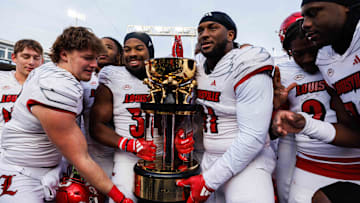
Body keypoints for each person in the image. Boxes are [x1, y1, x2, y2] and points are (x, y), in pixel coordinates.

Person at [0, 26, 132, 203]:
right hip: (24, 173)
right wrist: (122, 199)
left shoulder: (51, 72)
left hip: (52, 167)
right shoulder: (56, 85)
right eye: (87, 58)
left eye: (95, 58)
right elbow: (80, 158)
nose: (94, 64)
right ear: (64, 55)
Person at [177, 11, 276, 203]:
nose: (204, 34)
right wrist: (184, 134)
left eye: (212, 28)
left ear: (231, 35)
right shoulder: (197, 65)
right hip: (209, 158)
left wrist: (210, 181)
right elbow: (196, 113)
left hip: (247, 164)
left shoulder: (246, 60)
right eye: (200, 30)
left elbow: (254, 136)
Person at [274, 18, 360, 203]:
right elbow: (272, 129)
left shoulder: (343, 63)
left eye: (313, 51)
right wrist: (277, 105)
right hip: (310, 163)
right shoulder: (282, 71)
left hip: (354, 163)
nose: (307, 59)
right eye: (298, 53)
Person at [81, 36, 123, 179]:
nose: (103, 50)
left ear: (119, 56)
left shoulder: (126, 80)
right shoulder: (84, 79)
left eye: (109, 47)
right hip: (90, 149)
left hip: (120, 149)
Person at [0, 39, 43, 148]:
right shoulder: (2, 79)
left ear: (42, 61)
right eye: (26, 57)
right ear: (14, 57)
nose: (31, 62)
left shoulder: (47, 85)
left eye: (36, 58)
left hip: (30, 149)